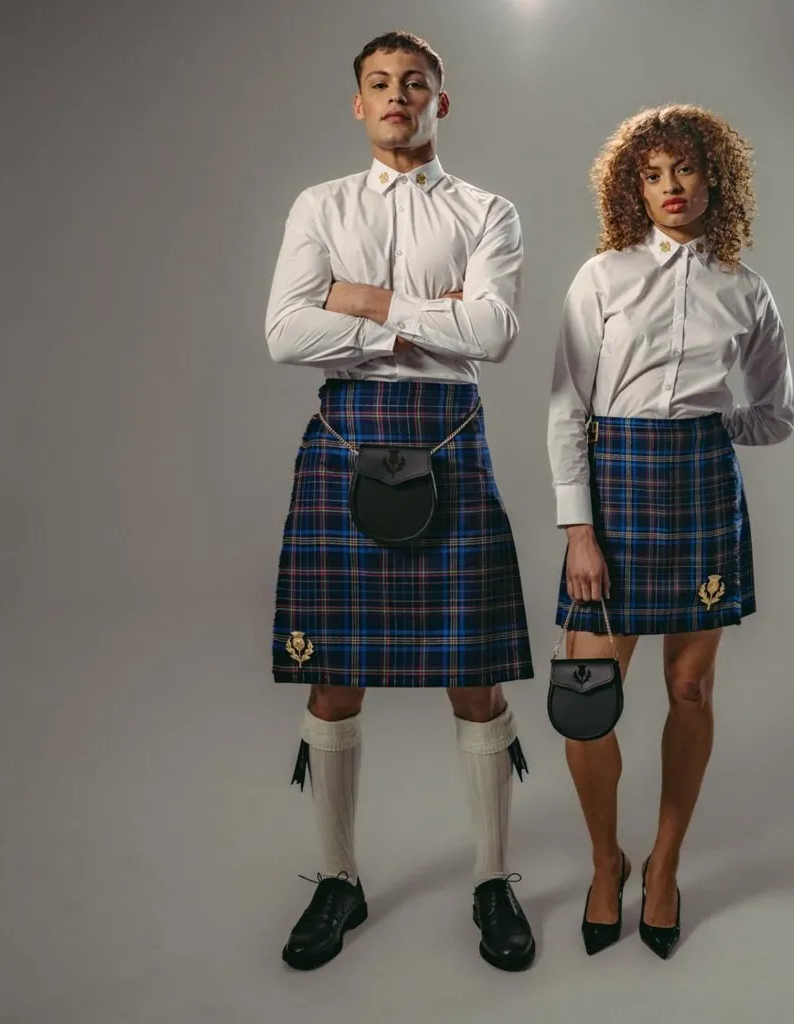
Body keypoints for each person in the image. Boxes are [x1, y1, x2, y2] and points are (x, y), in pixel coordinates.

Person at [264, 31, 536, 973]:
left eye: (412, 83)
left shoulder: (488, 210)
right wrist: (427, 317)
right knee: (333, 675)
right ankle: (338, 879)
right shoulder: (319, 204)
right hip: (345, 443)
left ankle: (493, 880)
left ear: (440, 102)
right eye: (378, 84)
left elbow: (494, 332)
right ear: (357, 103)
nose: (396, 96)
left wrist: (363, 306)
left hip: (451, 437)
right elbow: (283, 331)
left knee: (476, 673)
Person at [545, 104, 794, 959]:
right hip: (611, 493)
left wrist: (712, 429)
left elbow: (775, 411)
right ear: (631, 186)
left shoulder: (746, 287)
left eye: (683, 169)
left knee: (689, 693)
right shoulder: (602, 276)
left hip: (698, 492)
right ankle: (603, 863)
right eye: (651, 174)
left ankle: (662, 866)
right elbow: (565, 408)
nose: (670, 187)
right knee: (585, 700)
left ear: (713, 176)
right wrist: (578, 526)